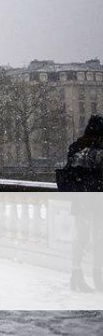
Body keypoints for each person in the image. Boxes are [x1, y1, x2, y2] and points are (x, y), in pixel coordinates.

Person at [61, 115, 103, 292]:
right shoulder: (99, 149)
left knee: (81, 238)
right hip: (96, 198)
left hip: (80, 198)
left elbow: (69, 171)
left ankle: (76, 275)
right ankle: (98, 276)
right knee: (99, 239)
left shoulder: (77, 146)